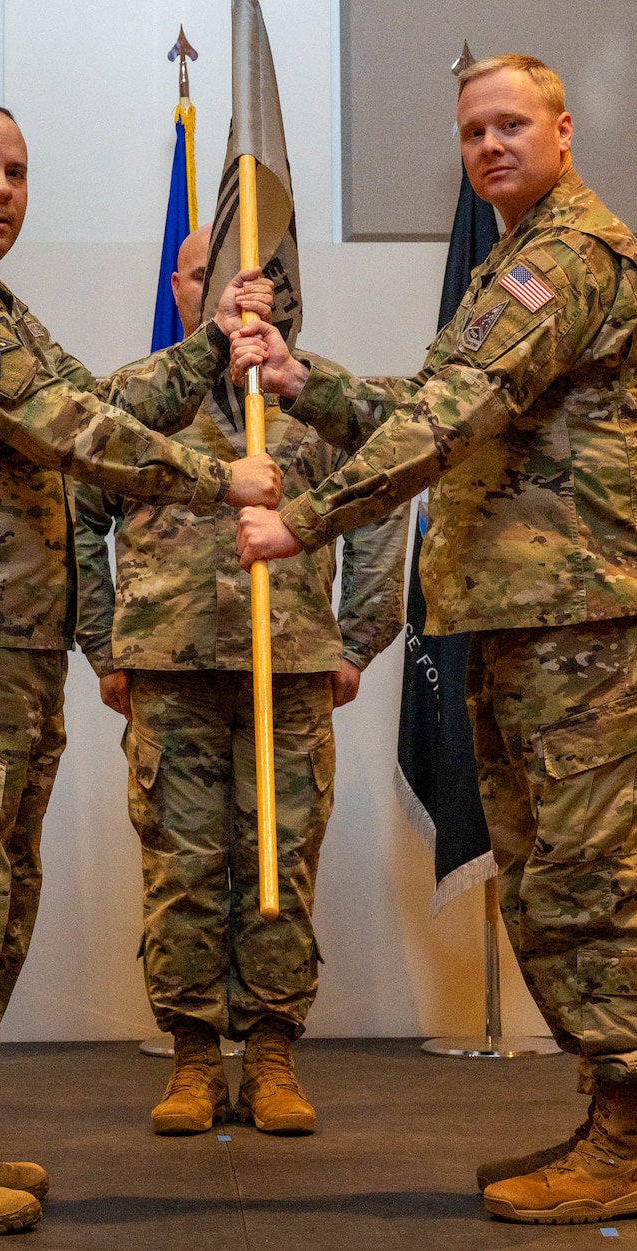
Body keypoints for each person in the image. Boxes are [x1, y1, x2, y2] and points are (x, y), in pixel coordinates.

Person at [234, 55, 637, 1225]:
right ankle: (609, 1119)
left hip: (592, 627)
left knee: (590, 880)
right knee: (545, 883)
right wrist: (304, 384)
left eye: (510, 124)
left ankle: (634, 1138)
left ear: (562, 128)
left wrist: (300, 517)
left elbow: (452, 413)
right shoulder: (511, 259)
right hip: (524, 625)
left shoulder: (569, 255)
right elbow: (438, 393)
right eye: (471, 131)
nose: (490, 145)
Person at [0, 100, 283, 1236]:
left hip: (4, 654)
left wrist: (203, 350)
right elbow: (68, 432)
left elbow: (99, 401)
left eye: (17, 172)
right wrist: (217, 481)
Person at [74, 226, 407, 1139]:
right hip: (168, 667)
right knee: (181, 866)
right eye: (207, 277)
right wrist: (103, 646)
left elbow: (385, 498)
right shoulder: (137, 401)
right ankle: (190, 1055)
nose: (235, 294)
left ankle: (269, 1052)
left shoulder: (313, 394)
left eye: (252, 279)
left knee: (279, 861)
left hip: (291, 665)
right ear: (180, 290)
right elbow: (73, 514)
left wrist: (359, 639)